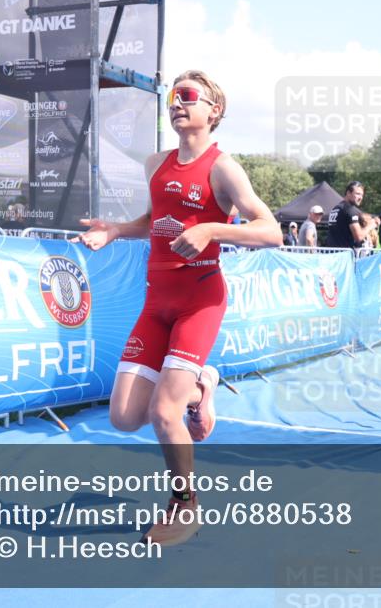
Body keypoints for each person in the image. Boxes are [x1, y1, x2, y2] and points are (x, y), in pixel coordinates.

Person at [74, 70, 281, 547]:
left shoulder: (223, 167)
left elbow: (270, 230)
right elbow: (154, 220)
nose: (178, 104)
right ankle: (201, 386)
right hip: (157, 300)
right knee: (125, 417)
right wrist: (114, 230)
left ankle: (186, 505)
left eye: (190, 97)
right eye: (174, 97)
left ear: (215, 111)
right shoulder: (156, 163)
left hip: (200, 300)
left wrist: (213, 230)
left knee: (164, 414)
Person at [326, 181, 368, 249]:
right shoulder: (350, 210)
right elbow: (359, 237)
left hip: (332, 254)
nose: (360, 198)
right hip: (344, 255)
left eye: (362, 195)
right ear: (348, 193)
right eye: (357, 194)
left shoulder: (336, 208)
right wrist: (371, 225)